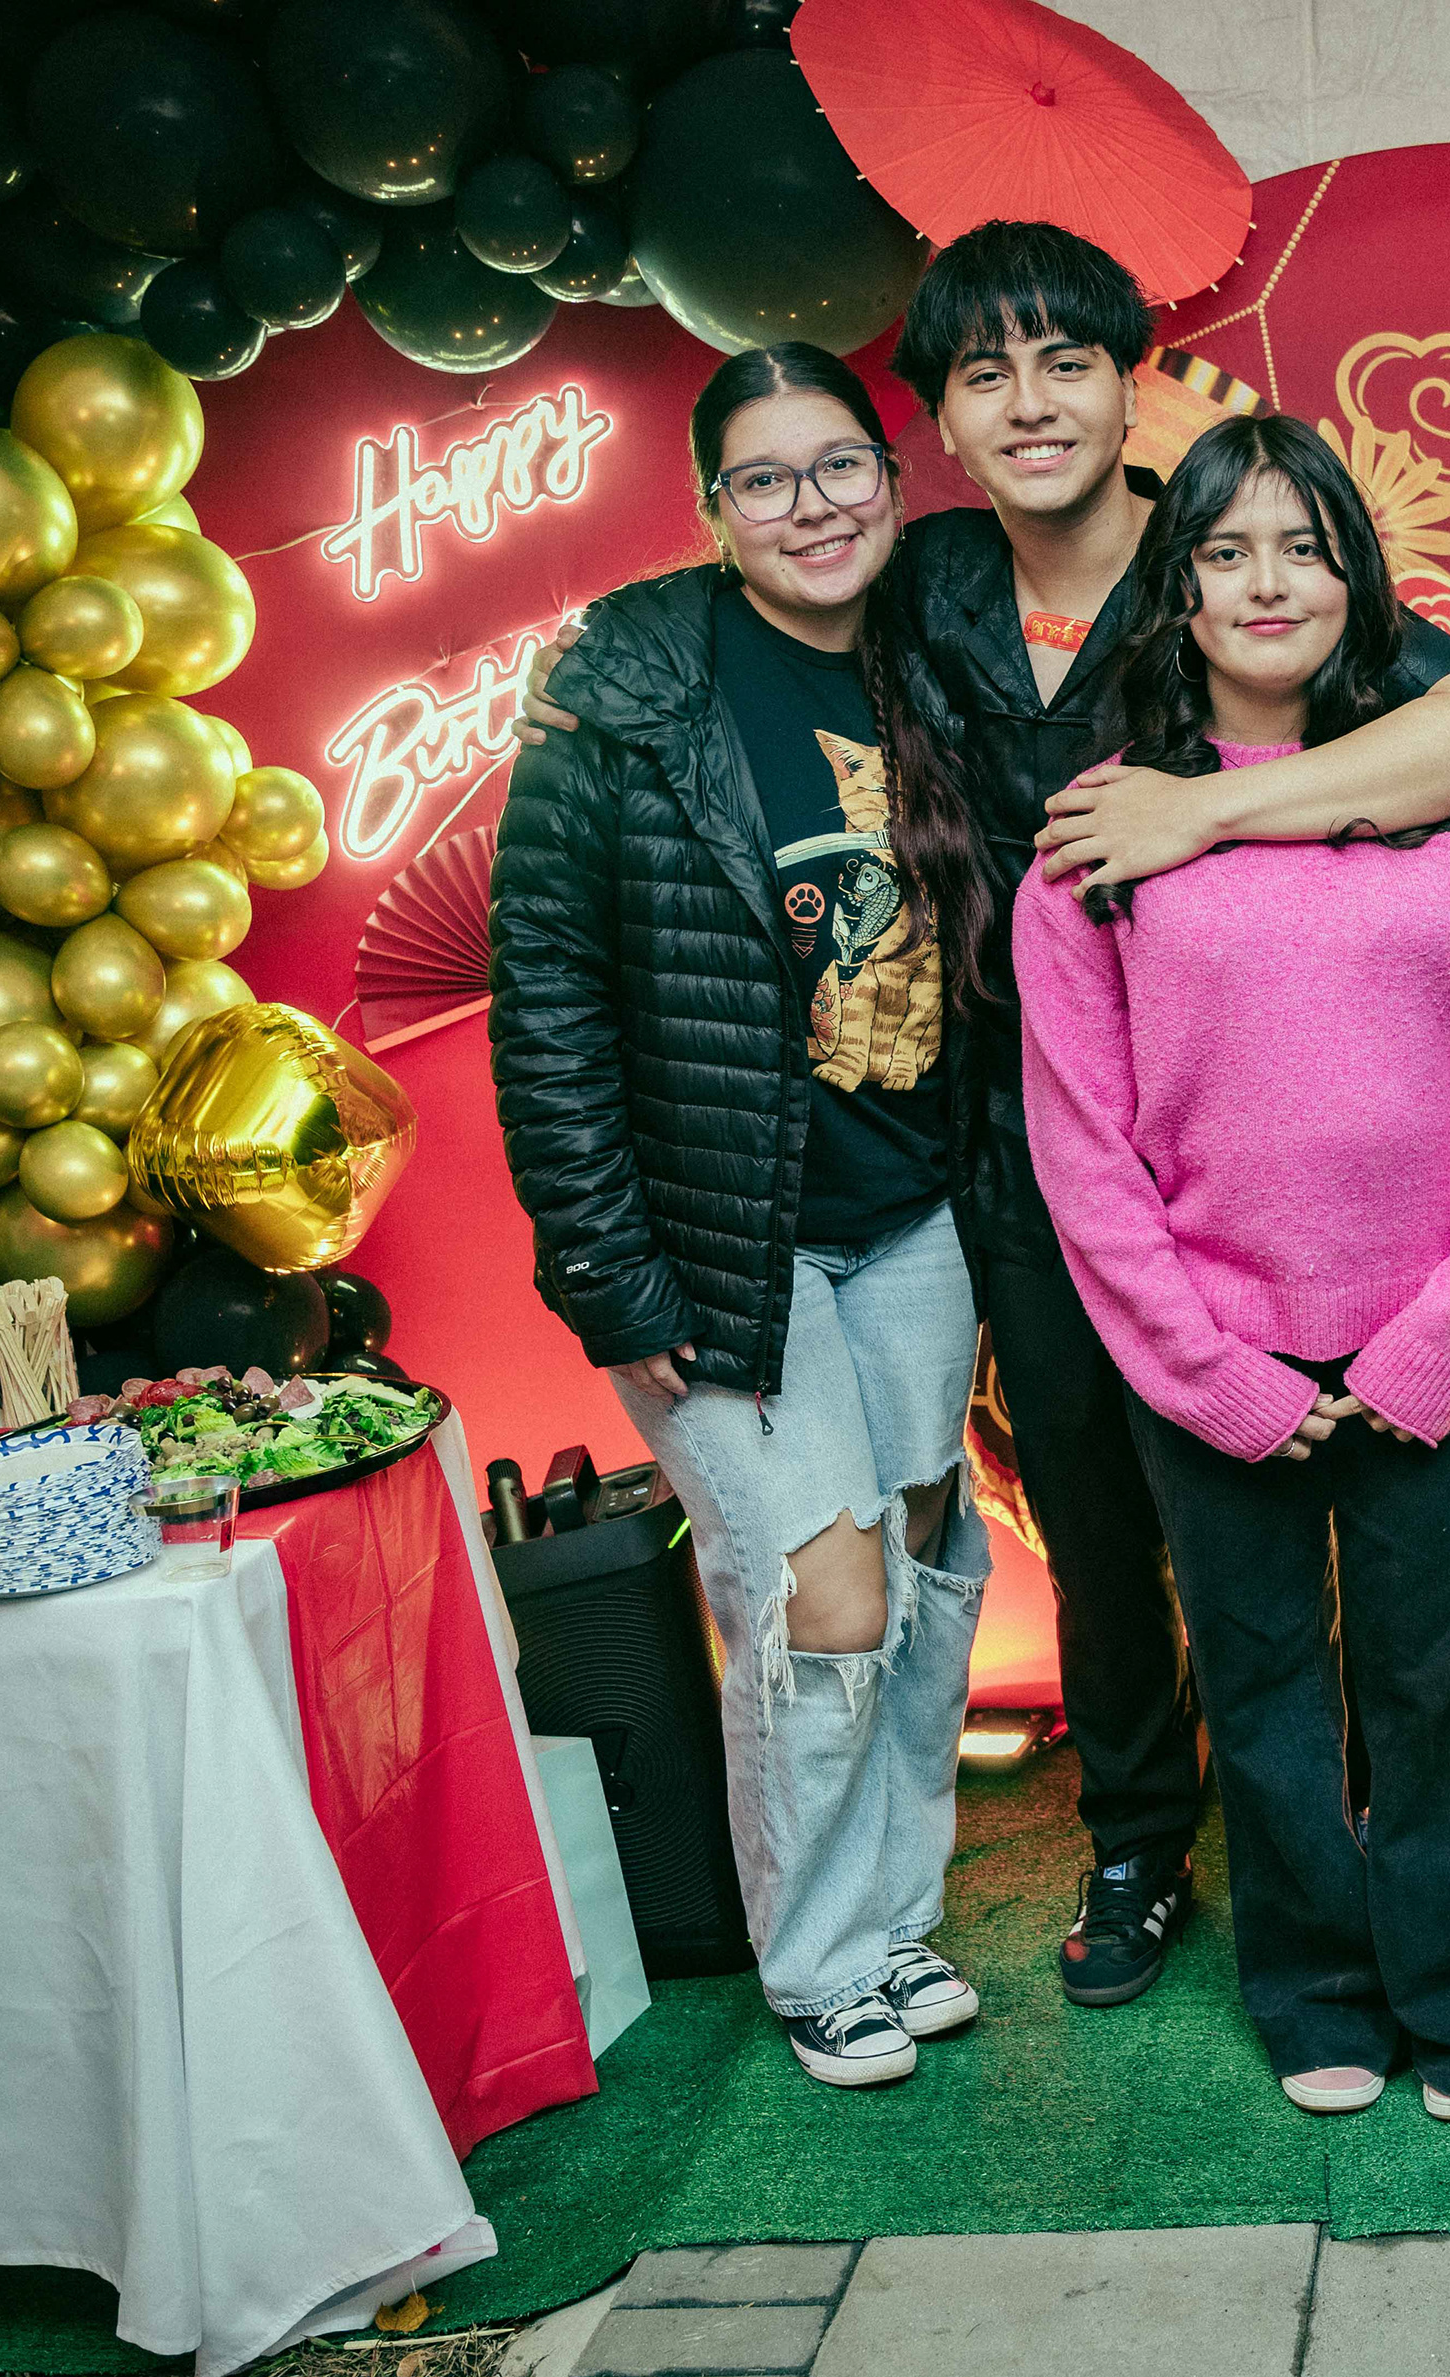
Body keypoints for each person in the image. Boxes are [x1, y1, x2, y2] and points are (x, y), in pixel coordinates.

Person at [524, 223, 1450, 2014]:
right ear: (936, 423)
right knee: (1090, 1501)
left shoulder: (1230, 544)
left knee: (1321, 1503)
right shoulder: (919, 580)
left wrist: (1203, 811)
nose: (1031, 403)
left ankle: (1374, 1837)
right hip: (1001, 1144)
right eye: (983, 374)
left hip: (1239, 1123)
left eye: (1066, 360)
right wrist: (599, 659)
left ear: (1128, 383)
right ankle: (1142, 1834)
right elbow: (735, 619)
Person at [1010, 415, 1450, 2123]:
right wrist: (1211, 1373)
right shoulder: (1101, 836)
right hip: (1218, 1342)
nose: (1269, 585)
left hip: (1441, 1333)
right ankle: (1319, 1989)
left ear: (1359, 576)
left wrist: (1445, 1337)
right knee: (1261, 1687)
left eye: (1306, 548)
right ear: (1175, 589)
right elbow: (1082, 1143)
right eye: (1226, 552)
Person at [491, 343, 995, 2091]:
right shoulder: (628, 693)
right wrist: (604, 1271)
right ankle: (817, 1956)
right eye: (765, 480)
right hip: (718, 1238)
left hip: (916, 1215)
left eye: (840, 465)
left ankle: (899, 1917)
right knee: (823, 1600)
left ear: (894, 480)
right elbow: (545, 996)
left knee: (921, 1572)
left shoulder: (940, 661)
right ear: (713, 510)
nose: (811, 506)